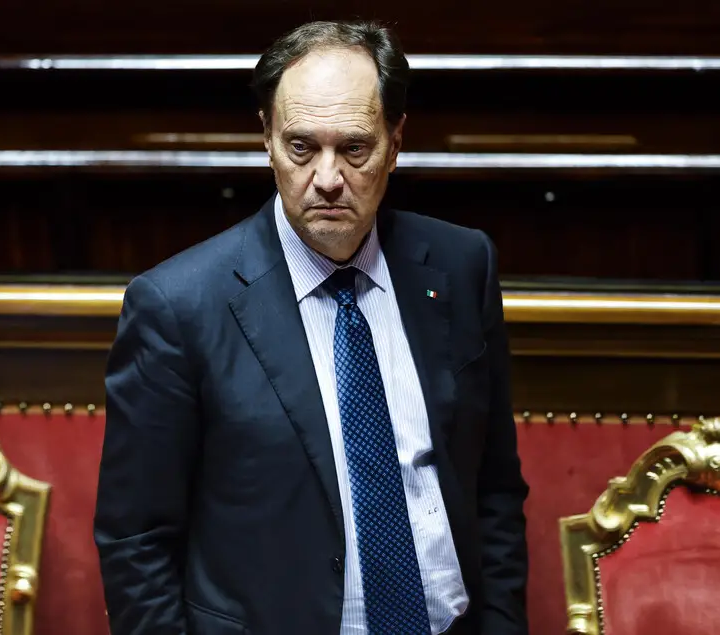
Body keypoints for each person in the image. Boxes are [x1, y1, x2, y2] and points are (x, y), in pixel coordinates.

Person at [93, 19, 529, 635]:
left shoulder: (461, 267)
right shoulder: (177, 306)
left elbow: (495, 488)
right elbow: (137, 541)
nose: (327, 179)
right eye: (301, 147)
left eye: (354, 148)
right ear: (267, 139)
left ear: (395, 142)